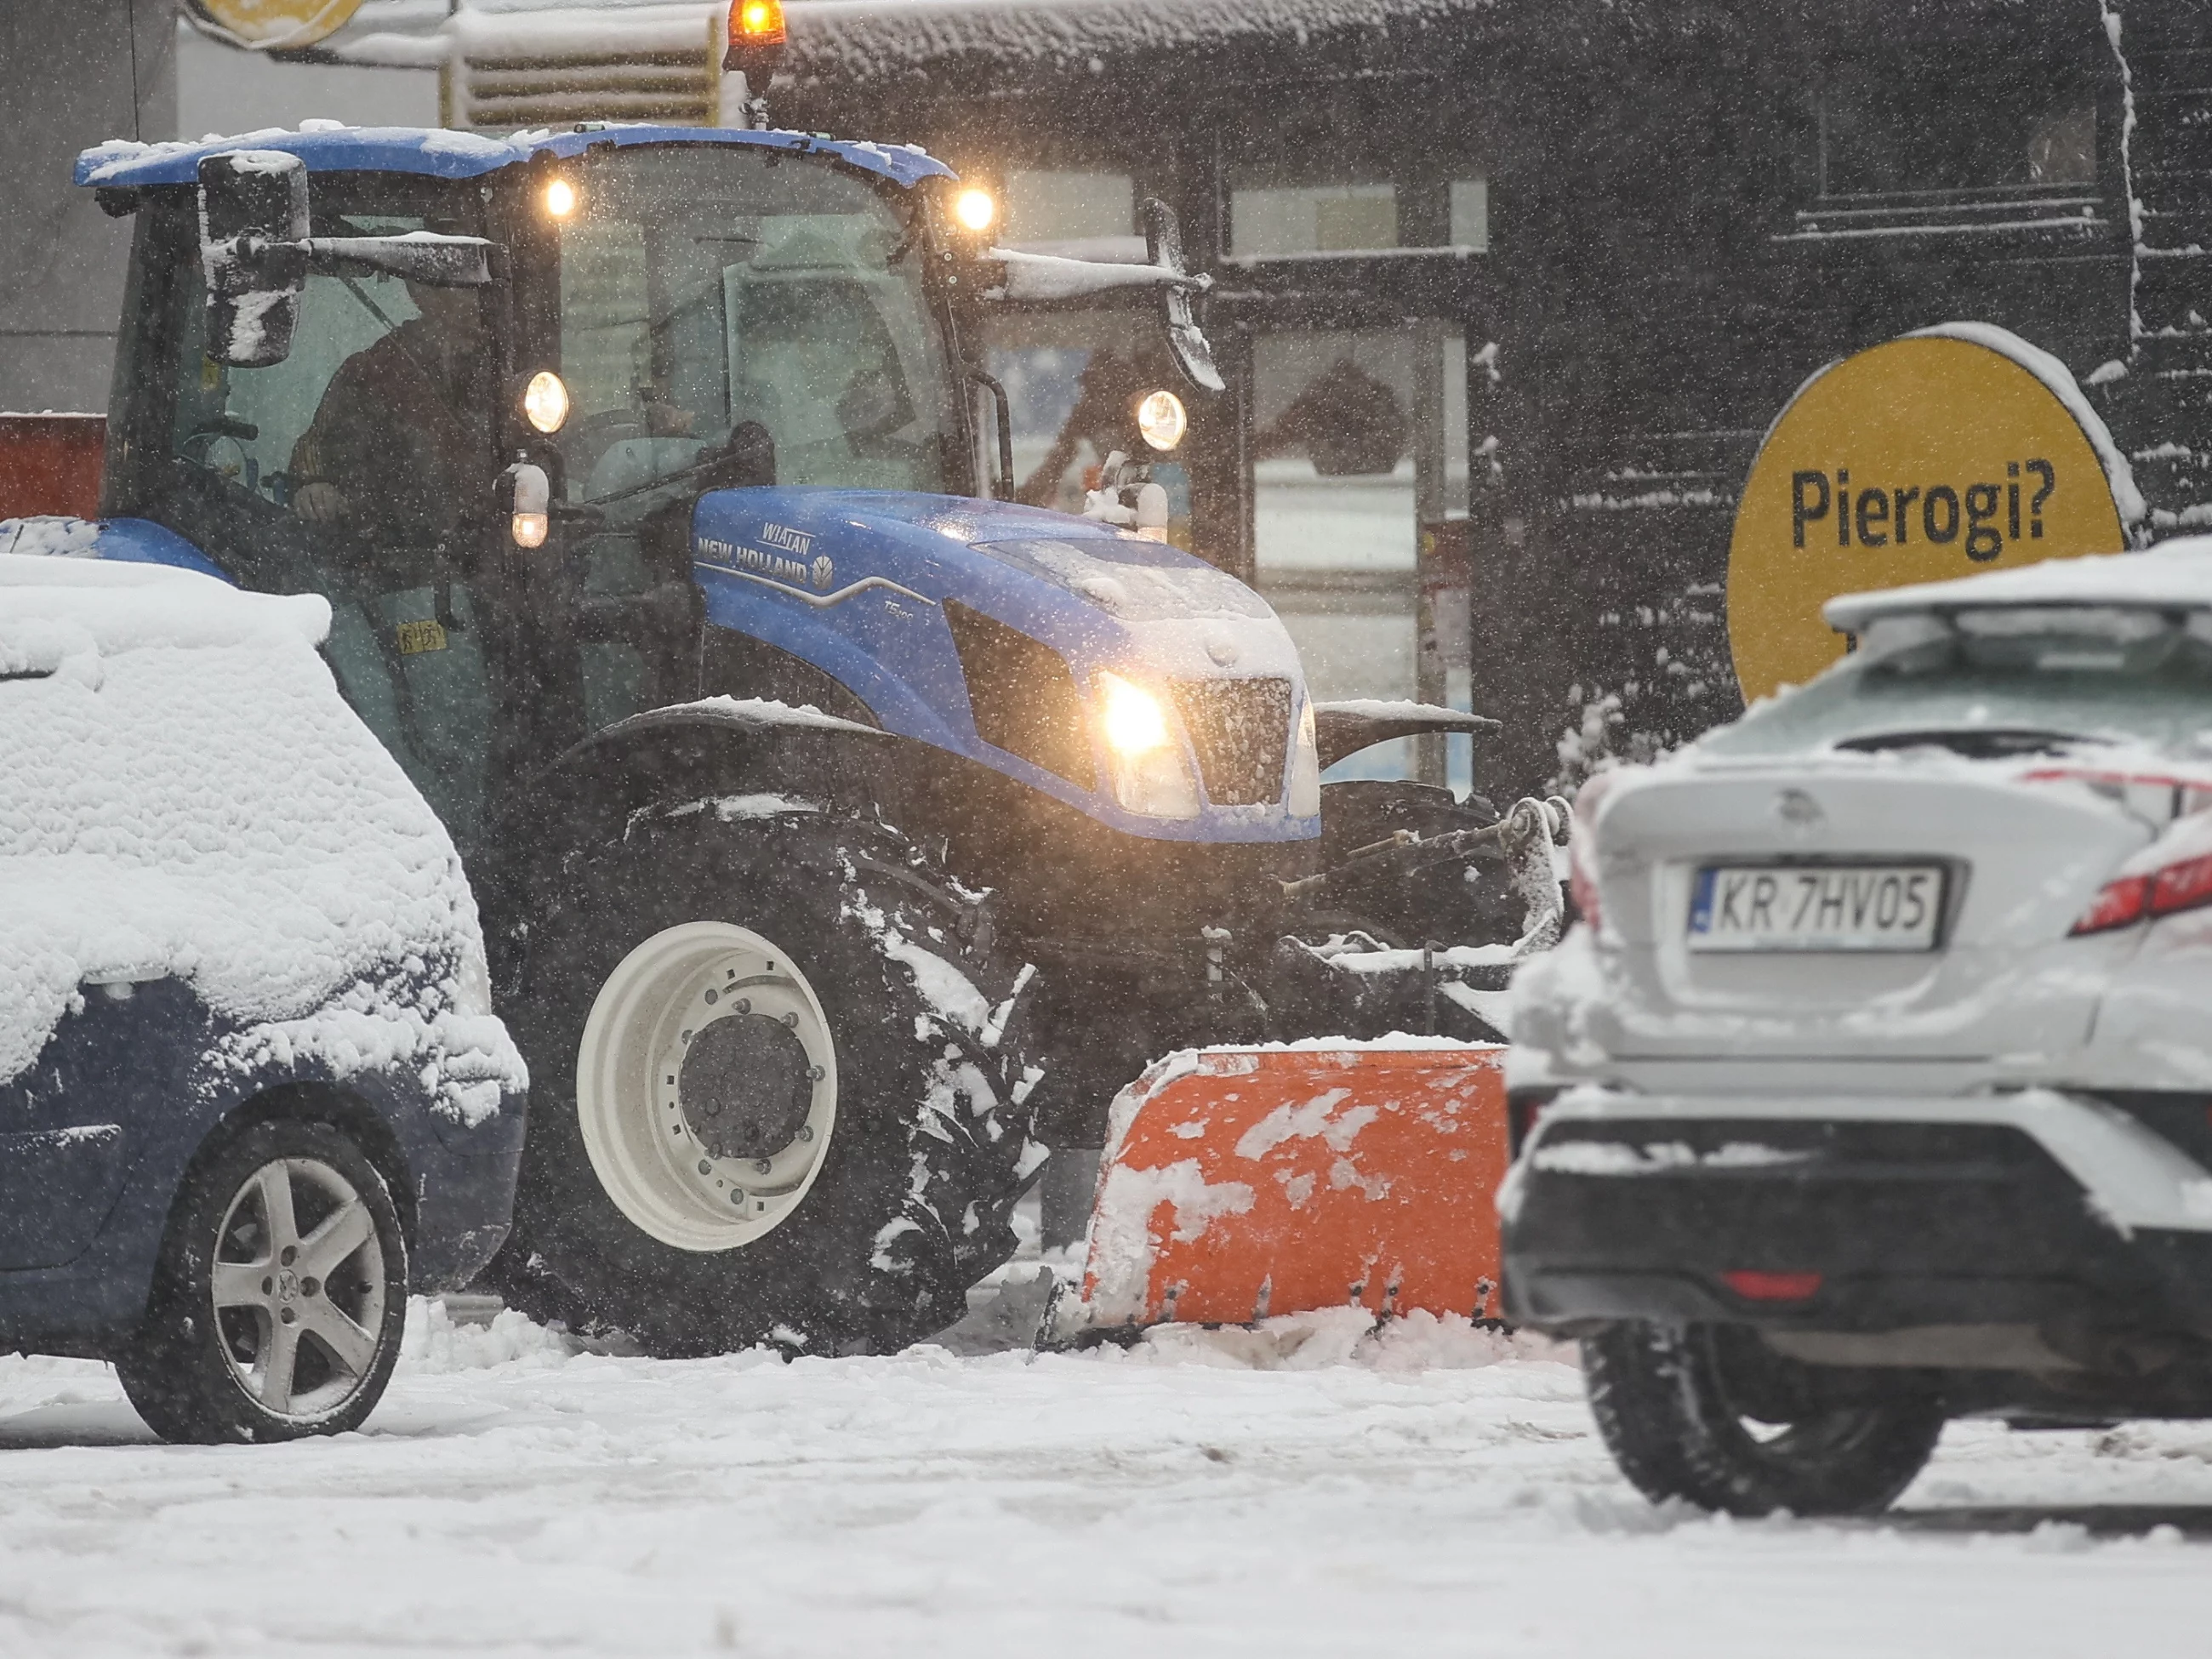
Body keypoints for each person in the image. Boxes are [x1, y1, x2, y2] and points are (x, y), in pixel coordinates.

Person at [289, 278, 489, 554]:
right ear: (421, 294)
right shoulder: (373, 371)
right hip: (395, 551)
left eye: (479, 291)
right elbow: (315, 447)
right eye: (463, 288)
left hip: (493, 548)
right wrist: (315, 485)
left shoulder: (519, 374)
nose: (474, 301)